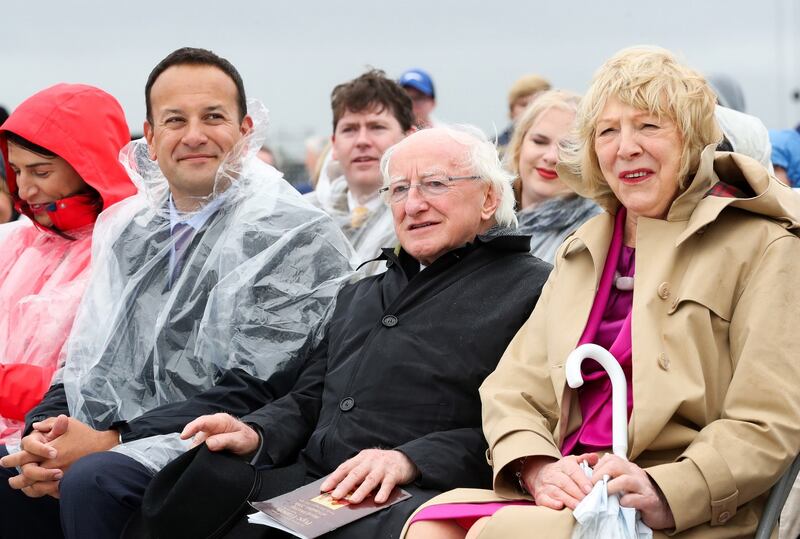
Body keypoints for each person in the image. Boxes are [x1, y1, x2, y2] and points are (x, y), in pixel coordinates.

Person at [404, 45, 800, 539]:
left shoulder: (764, 245)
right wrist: (536, 466)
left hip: (676, 512)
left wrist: (665, 489)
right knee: (428, 526)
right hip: (567, 494)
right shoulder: (583, 248)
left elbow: (768, 422)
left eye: (649, 126)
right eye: (607, 131)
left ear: (693, 140)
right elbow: (512, 388)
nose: (625, 147)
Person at [122, 125, 552, 539]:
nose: (413, 204)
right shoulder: (365, 290)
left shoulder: (532, 288)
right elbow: (312, 395)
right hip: (311, 483)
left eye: (435, 184)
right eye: (399, 189)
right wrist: (256, 431)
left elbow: (528, 423)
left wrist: (409, 460)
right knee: (192, 483)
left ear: (489, 198)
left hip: (416, 490)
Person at [0, 47, 354, 539]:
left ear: (246, 129)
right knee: (16, 467)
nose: (194, 135)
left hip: (236, 442)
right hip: (126, 436)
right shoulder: (130, 230)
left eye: (213, 117)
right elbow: (85, 361)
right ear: (149, 135)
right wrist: (45, 429)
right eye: (174, 119)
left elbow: (261, 383)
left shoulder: (292, 233)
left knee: (92, 477)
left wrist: (112, 438)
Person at [0, 84, 137, 445]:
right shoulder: (15, 242)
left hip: (50, 443)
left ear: (90, 165)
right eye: (16, 171)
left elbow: (99, 385)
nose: (24, 190)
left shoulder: (128, 251)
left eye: (40, 173)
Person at [308, 69, 415, 277]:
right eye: (349, 129)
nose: (362, 141)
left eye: (377, 127)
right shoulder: (306, 218)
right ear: (334, 145)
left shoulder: (425, 219)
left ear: (408, 138)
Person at [506, 90, 600, 263]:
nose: (551, 157)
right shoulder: (482, 217)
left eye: (568, 147)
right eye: (539, 142)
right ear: (519, 145)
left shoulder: (597, 234)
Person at [496, 74, 552, 153]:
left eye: (536, 104)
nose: (530, 110)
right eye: (524, 105)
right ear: (512, 110)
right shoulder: (493, 148)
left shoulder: (559, 147)